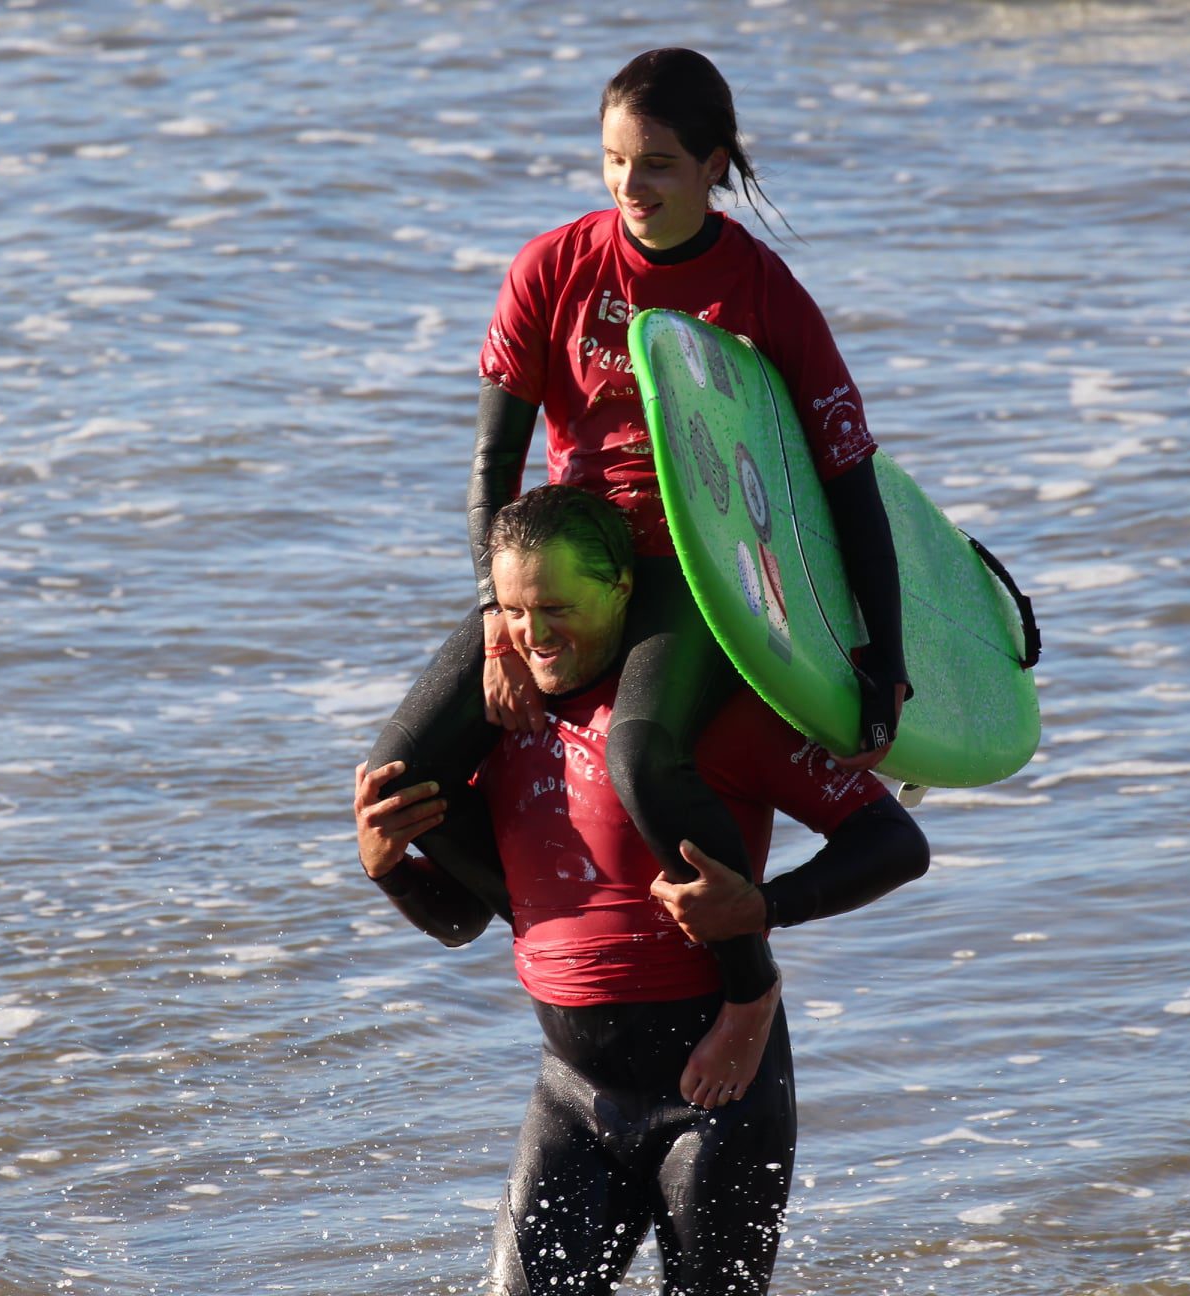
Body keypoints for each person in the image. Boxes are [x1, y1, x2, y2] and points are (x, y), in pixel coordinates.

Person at [364, 47, 912, 1106]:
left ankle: (746, 986)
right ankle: (513, 913)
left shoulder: (760, 290)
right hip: (565, 556)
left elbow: (848, 478)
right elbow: (492, 467)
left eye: (658, 163)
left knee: (643, 760)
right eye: (615, 160)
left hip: (697, 573)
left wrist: (878, 651)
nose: (631, 186)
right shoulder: (553, 267)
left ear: (714, 166)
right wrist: (495, 619)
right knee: (397, 776)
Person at [354, 486, 929, 1296]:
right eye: (513, 612)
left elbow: (894, 843)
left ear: (624, 588)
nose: (532, 634)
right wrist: (389, 869)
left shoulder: (706, 722)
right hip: (571, 1093)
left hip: (716, 1092)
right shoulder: (502, 732)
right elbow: (464, 921)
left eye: (557, 607)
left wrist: (765, 908)